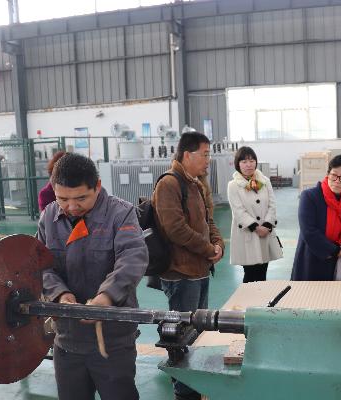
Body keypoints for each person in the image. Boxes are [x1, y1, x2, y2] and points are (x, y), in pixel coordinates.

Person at [37, 153, 148, 400]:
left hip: (113, 339)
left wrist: (106, 298)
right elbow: (41, 267)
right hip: (67, 339)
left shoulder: (120, 214)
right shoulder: (49, 217)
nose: (71, 207)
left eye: (81, 198)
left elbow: (132, 258)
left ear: (97, 186)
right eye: (62, 199)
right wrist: (60, 294)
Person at [153, 131, 225, 400]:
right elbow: (175, 229)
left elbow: (208, 220)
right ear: (187, 154)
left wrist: (218, 244)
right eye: (204, 155)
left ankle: (193, 380)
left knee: (198, 331)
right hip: (181, 274)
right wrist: (208, 249)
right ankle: (184, 389)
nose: (208, 160)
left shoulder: (195, 183)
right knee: (182, 333)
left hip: (199, 270)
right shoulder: (169, 184)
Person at [291, 154, 341, 281]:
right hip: (313, 262)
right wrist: (336, 251)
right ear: (328, 174)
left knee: (339, 294)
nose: (337, 181)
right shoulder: (310, 197)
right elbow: (309, 232)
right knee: (309, 294)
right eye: (334, 175)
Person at [228, 146, 282, 283]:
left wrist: (267, 225)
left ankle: (261, 297)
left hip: (265, 234)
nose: (249, 165)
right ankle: (248, 297)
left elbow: (272, 205)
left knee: (262, 273)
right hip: (249, 235)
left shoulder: (264, 181)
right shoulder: (233, 185)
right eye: (244, 161)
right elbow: (238, 211)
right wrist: (256, 228)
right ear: (238, 164)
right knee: (250, 275)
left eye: (252, 161)